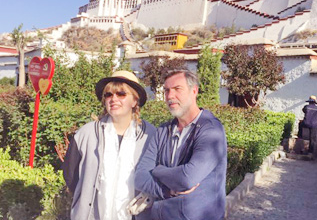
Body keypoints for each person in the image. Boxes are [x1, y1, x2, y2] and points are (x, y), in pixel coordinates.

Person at [62, 70, 156, 220]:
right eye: (108, 94)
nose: (114, 99)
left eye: (121, 94)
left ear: (134, 101)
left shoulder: (150, 136)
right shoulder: (87, 134)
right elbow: (70, 175)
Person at [134, 69, 227, 220]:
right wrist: (167, 191)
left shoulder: (210, 129)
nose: (170, 96)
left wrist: (157, 170)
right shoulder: (163, 130)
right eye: (166, 90)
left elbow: (187, 178)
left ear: (194, 91)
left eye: (177, 89)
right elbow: (139, 177)